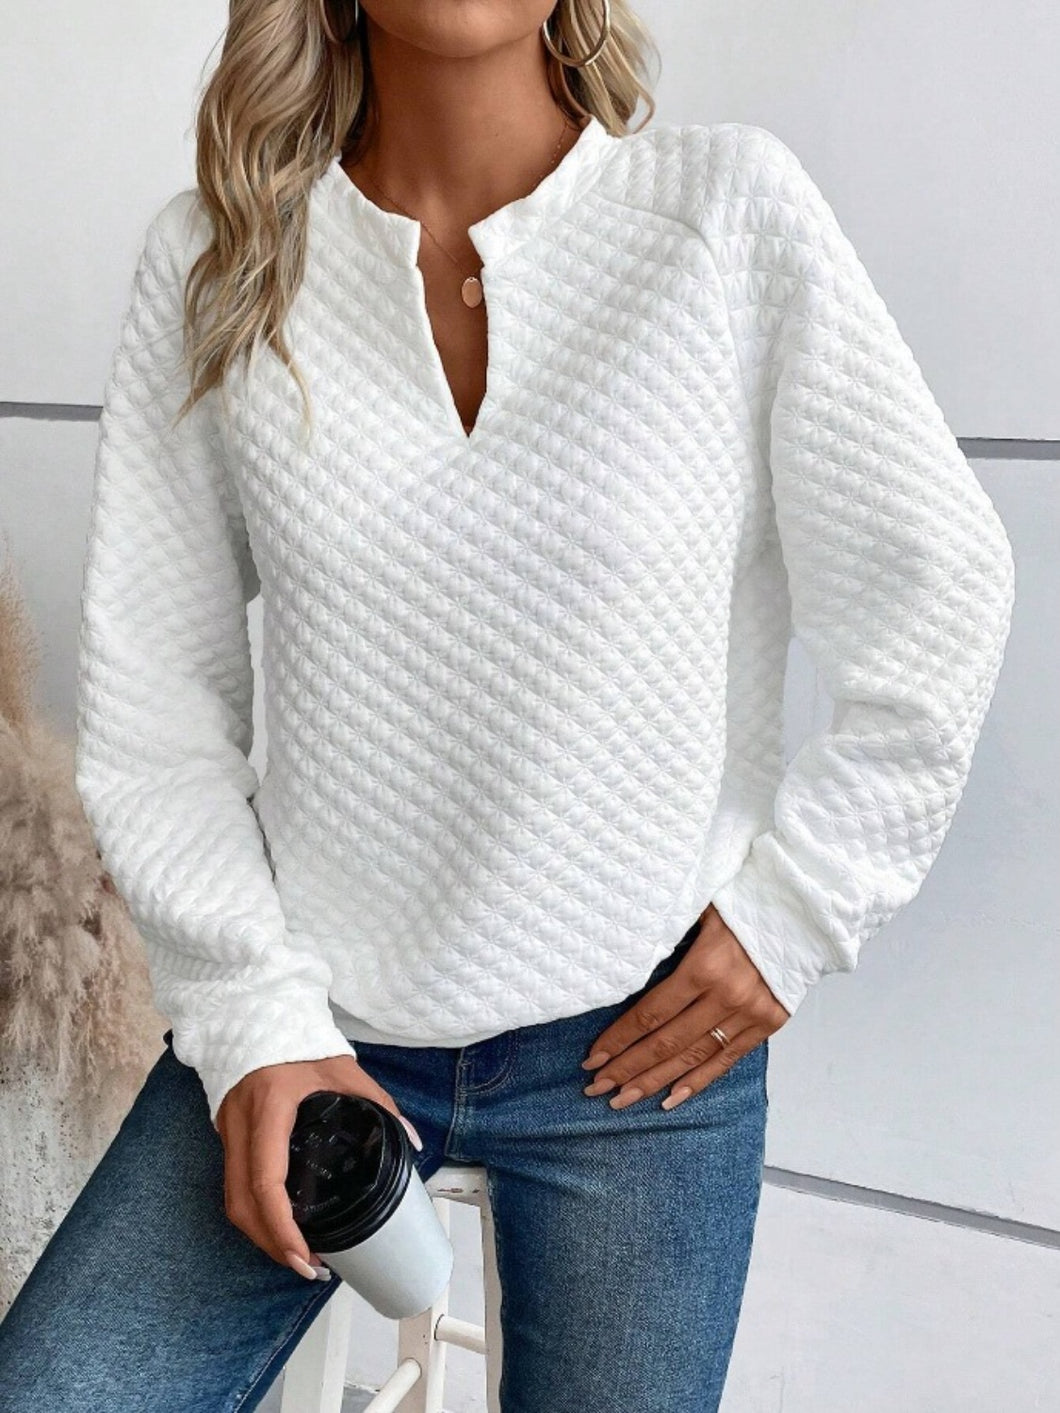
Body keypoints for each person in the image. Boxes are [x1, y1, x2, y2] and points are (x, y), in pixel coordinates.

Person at [0, 1, 1015, 1409]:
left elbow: (940, 586)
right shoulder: (220, 260)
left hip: (640, 1058)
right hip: (311, 1019)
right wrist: (253, 1018)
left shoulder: (726, 216)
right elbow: (156, 718)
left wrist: (799, 909)